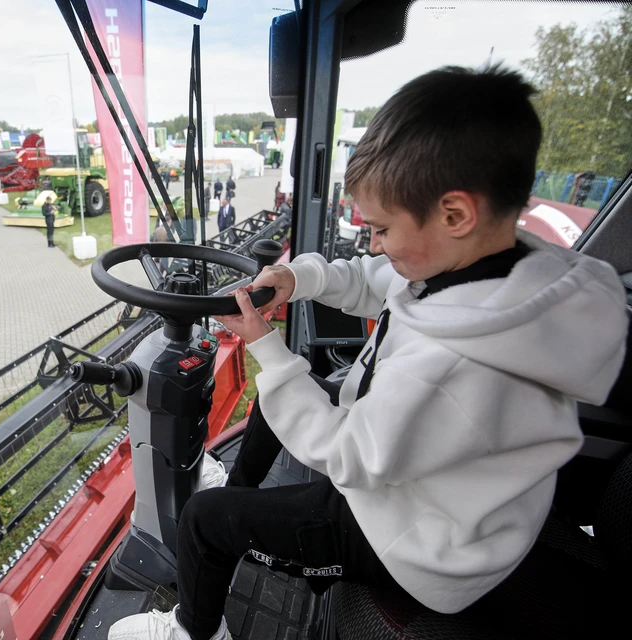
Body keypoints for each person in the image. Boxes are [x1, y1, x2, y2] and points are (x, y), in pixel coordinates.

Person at [107, 65, 628, 640]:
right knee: (283, 402)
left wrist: (270, 353)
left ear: (455, 214)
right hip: (444, 493)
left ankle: (194, 629)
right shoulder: (496, 273)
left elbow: (349, 456)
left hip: (422, 544)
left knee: (206, 523)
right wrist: (297, 279)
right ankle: (239, 494)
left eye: (380, 228)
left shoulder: (454, 366)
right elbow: (374, 279)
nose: (373, 244)